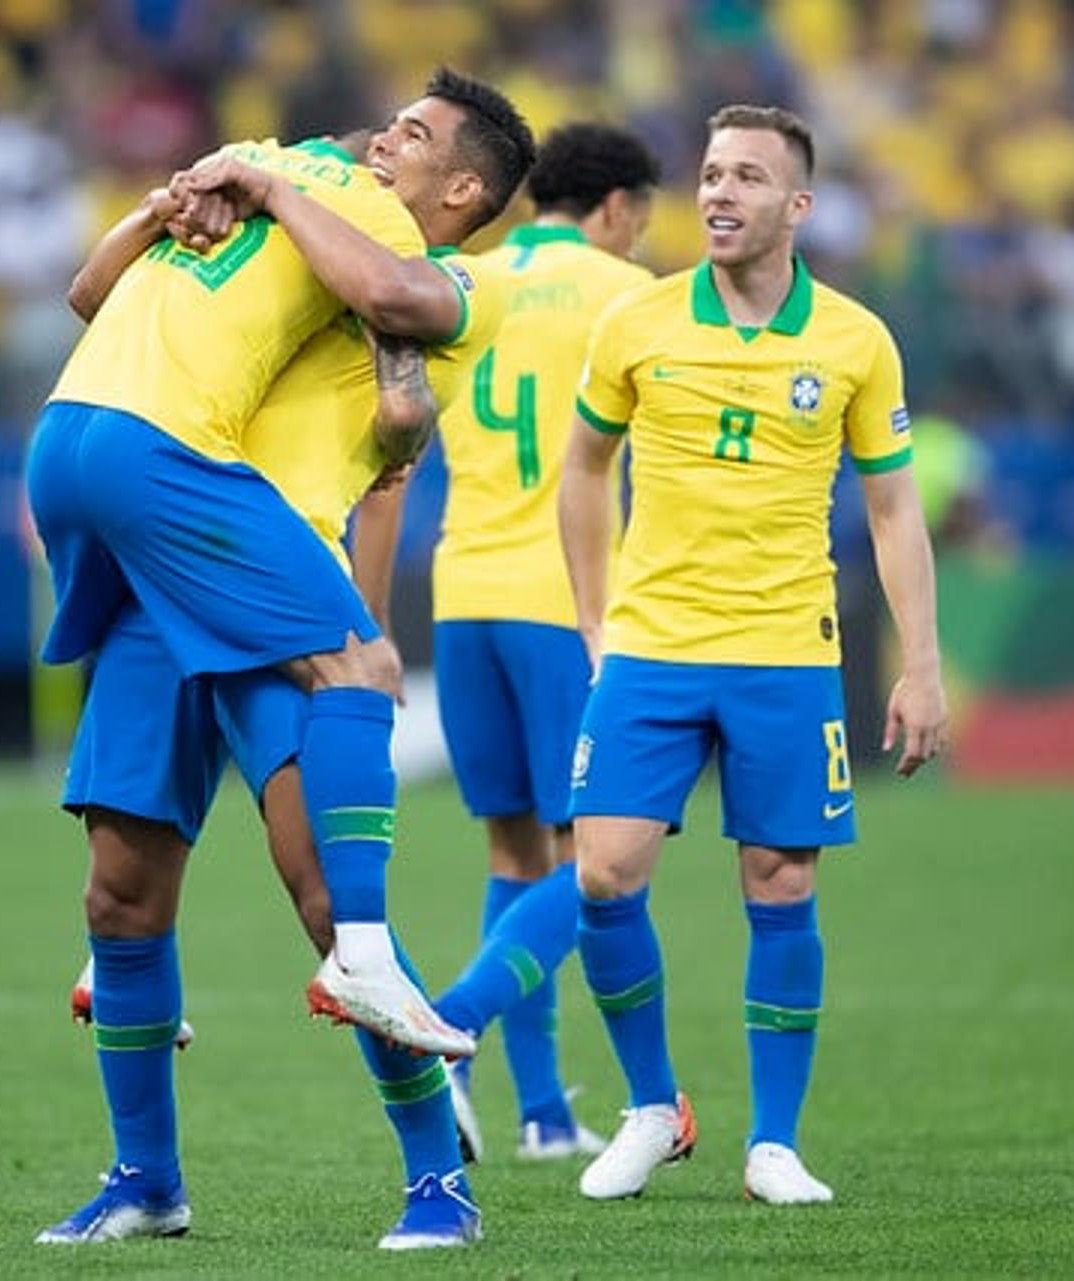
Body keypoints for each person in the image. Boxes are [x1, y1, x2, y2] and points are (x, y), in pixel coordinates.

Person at [26, 69, 530, 1247]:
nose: (386, 142)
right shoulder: (307, 230)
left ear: (463, 188)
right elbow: (120, 298)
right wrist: (191, 201)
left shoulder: (456, 283)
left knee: (321, 893)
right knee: (121, 888)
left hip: (273, 570)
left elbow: (395, 349)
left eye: (416, 137)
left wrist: (259, 182)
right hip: (174, 556)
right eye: (389, 125)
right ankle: (145, 1181)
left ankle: (437, 1185)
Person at [557, 105, 947, 1206]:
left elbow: (893, 510)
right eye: (711, 173)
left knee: (779, 884)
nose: (719, 194)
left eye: (746, 178)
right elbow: (584, 469)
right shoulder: (638, 323)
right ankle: (650, 1108)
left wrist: (921, 664)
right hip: (653, 645)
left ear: (798, 207)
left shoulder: (856, 341)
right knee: (602, 870)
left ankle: (773, 1143)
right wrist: (596, 621)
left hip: (786, 649)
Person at [417, 123, 660, 1165]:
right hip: (570, 601)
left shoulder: (464, 279)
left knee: (515, 849)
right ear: (613, 210)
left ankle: (544, 1113)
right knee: (601, 860)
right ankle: (447, 1029)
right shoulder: (625, 294)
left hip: (461, 588)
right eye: (640, 221)